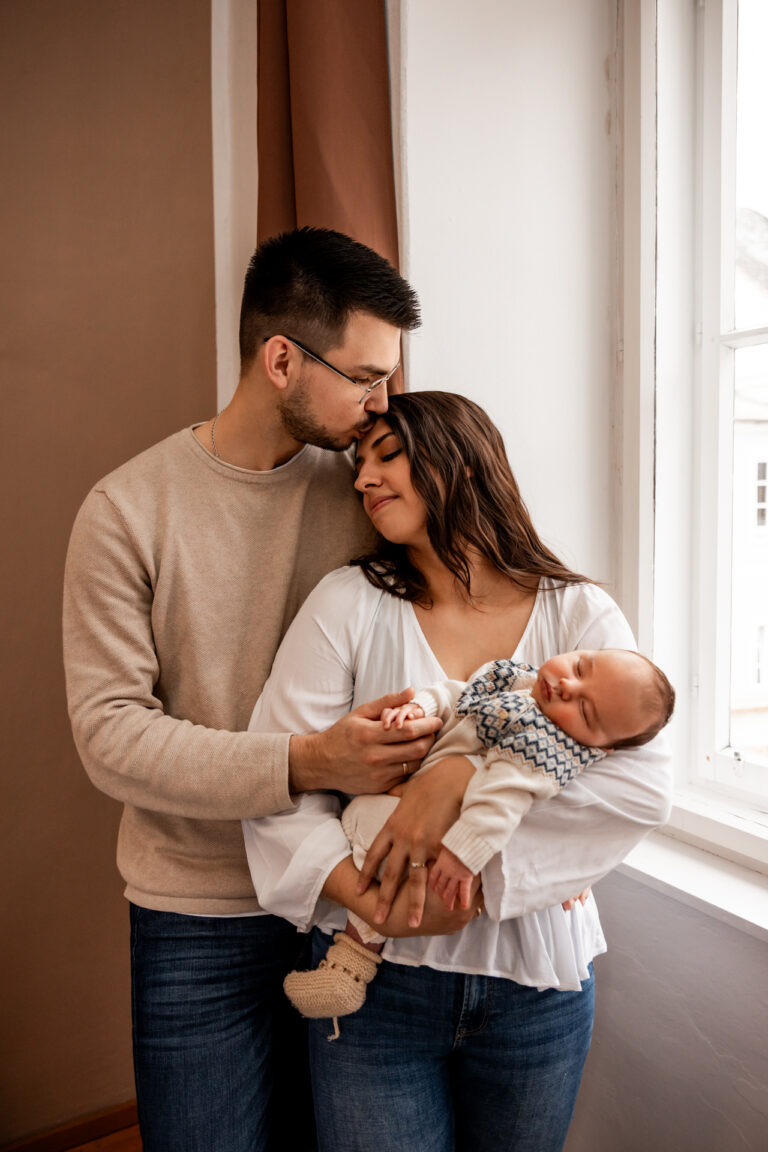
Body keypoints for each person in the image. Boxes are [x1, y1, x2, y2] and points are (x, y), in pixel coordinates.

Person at [62, 227, 460, 1152]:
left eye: (388, 379)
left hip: (347, 900)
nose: (380, 405)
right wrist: (310, 760)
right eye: (364, 377)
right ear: (282, 358)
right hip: (195, 914)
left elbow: (467, 618)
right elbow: (111, 736)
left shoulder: (370, 492)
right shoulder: (126, 511)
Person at [242, 391, 673, 1152]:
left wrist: (449, 803)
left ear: (462, 462)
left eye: (386, 455)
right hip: (377, 994)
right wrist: (363, 893)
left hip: (536, 983)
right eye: (359, 462)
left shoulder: (578, 614)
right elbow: (278, 777)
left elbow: (636, 790)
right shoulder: (347, 603)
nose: (363, 480)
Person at [282, 648, 675, 1025]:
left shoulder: (545, 743)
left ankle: (351, 963)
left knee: (379, 851)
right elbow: (457, 693)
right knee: (374, 840)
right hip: (410, 809)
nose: (568, 686)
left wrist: (462, 856)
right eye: (581, 666)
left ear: (601, 748)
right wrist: (422, 707)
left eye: (585, 710)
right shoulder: (516, 680)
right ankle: (350, 958)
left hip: (438, 842)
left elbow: (499, 802)